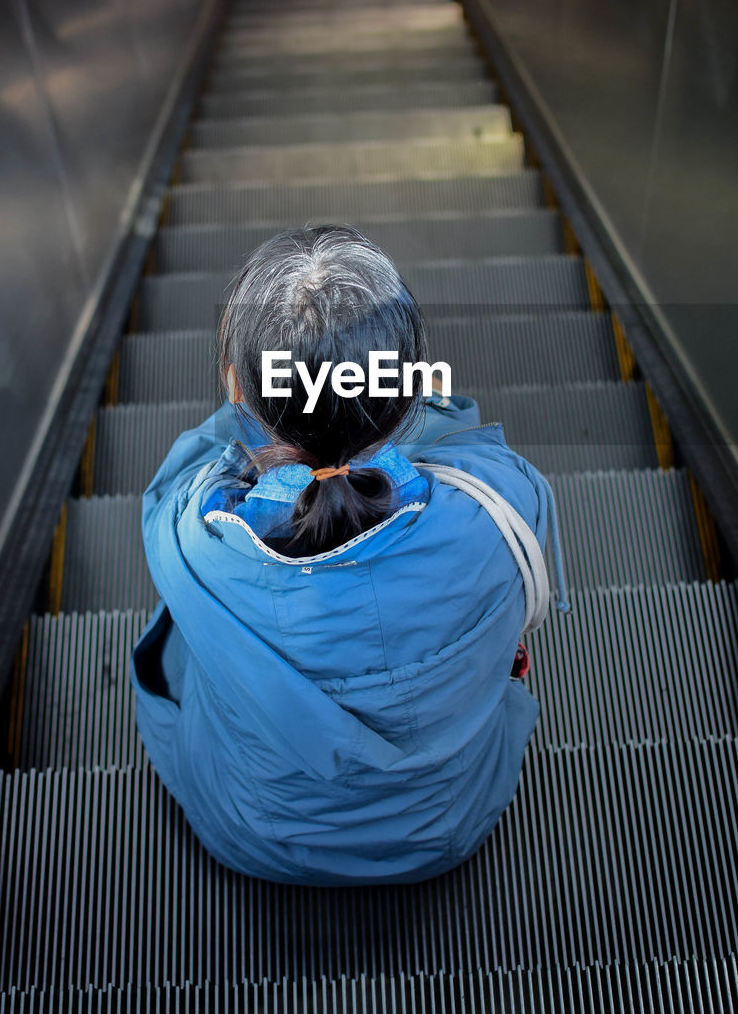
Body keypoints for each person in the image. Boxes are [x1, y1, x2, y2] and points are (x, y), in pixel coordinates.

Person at [131, 225, 569, 886]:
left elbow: (204, 465)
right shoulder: (503, 505)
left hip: (254, 834)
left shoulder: (193, 535)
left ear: (240, 392)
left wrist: (261, 435)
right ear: (410, 387)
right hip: (447, 825)